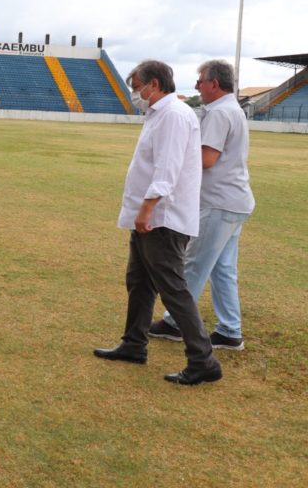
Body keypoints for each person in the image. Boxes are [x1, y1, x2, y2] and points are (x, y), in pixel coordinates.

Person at [94, 60, 222, 385]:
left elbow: (168, 168)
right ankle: (134, 344)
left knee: (172, 289)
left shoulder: (174, 115)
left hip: (163, 218)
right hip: (152, 216)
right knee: (139, 281)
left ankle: (203, 360)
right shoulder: (158, 114)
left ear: (155, 83)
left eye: (138, 87)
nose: (136, 93)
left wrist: (148, 208)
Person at [149, 60, 254, 351]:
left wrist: (175, 154)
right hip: (232, 200)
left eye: (200, 81)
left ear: (214, 84)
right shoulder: (231, 109)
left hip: (218, 201)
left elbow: (207, 159)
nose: (197, 87)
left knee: (194, 264)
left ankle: (174, 323)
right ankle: (230, 330)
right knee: (222, 269)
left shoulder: (220, 113)